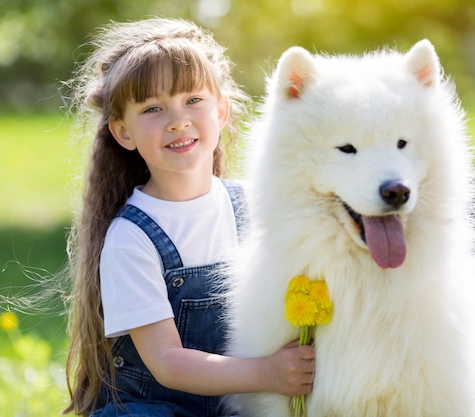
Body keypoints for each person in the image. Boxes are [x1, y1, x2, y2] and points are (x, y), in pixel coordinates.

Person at [62, 17, 315, 417]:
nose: (177, 120)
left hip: (240, 403)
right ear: (123, 132)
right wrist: (268, 374)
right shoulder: (132, 238)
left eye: (193, 100)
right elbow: (168, 363)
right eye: (153, 108)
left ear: (222, 110)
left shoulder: (255, 204)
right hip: (159, 407)